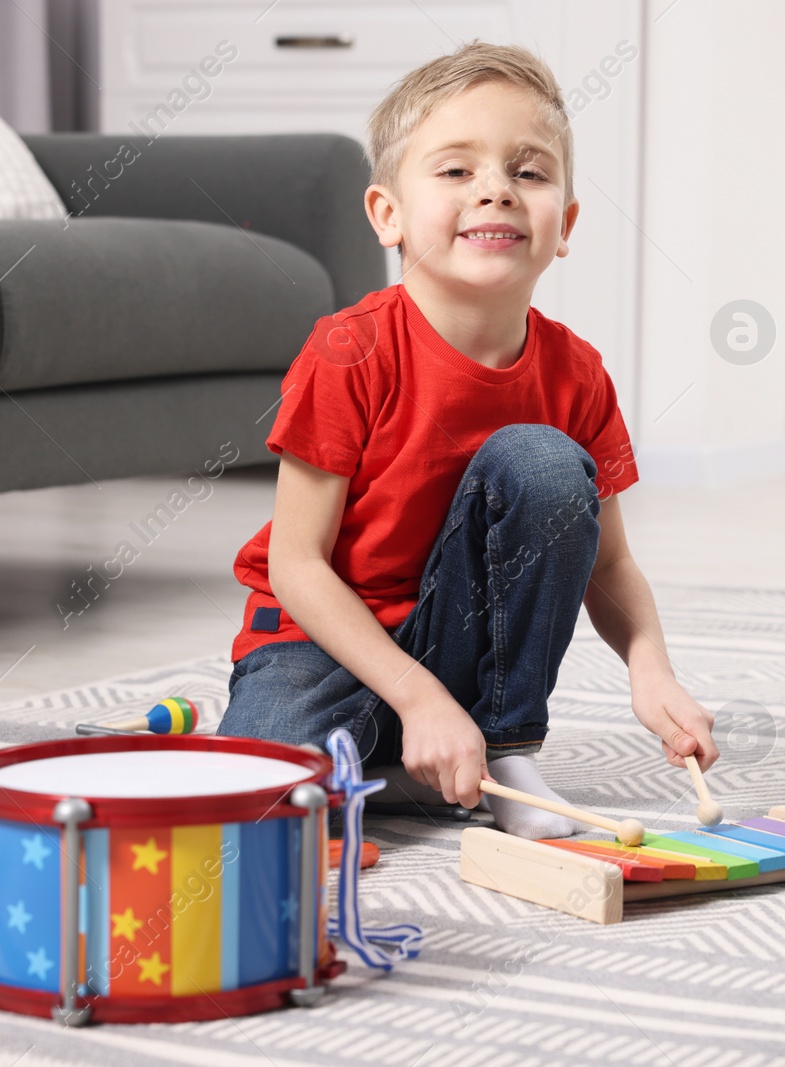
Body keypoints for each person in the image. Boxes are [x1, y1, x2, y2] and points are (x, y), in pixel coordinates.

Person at [217, 41, 717, 839]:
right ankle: (402, 748)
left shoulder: (576, 374)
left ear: (566, 224)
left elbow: (612, 564)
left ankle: (502, 746)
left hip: (460, 652)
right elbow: (297, 564)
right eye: (456, 172)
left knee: (545, 462)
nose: (496, 190)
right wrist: (416, 699)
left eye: (529, 171)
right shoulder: (349, 351)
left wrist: (650, 669)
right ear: (388, 214)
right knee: (261, 813)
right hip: (321, 643)